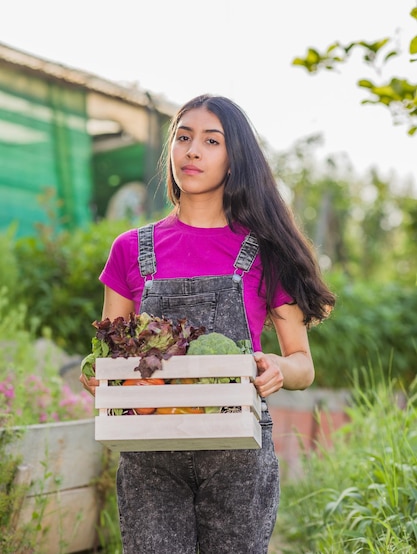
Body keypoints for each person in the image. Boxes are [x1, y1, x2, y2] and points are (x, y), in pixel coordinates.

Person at [80, 94, 336, 554]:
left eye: (210, 141)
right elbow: (107, 353)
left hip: (237, 455)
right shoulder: (130, 249)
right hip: (150, 452)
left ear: (234, 159)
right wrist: (98, 377)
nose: (192, 150)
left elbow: (303, 365)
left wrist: (278, 366)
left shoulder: (265, 252)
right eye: (183, 137)